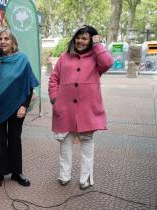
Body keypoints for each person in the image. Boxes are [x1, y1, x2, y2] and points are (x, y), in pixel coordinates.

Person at [48, 25, 113, 190]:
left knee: (87, 144)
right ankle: (64, 175)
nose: (80, 41)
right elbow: (54, 79)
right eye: (78, 37)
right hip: (65, 109)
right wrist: (55, 99)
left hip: (87, 110)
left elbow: (108, 63)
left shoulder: (97, 57)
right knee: (65, 143)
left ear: (91, 40)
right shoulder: (64, 57)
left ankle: (85, 178)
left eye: (84, 38)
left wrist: (98, 45)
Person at [0, 28, 39, 188]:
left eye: (6, 39)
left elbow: (29, 85)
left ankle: (16, 172)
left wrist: (25, 106)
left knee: (14, 138)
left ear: (13, 42)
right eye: (0, 39)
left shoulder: (22, 59)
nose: (3, 41)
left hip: (17, 105)